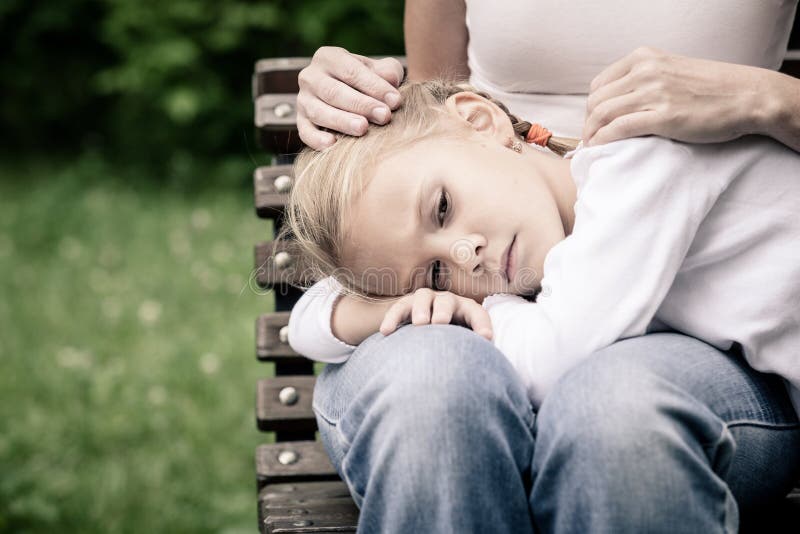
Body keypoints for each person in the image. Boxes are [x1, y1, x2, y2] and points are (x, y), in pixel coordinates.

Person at [285, 2, 800, 532]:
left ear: (482, 121)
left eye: (442, 208)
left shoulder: (638, 169)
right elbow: (307, 320)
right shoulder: (523, 203)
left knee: (615, 414)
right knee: (433, 386)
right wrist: (398, 308)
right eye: (437, 274)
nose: (465, 254)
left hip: (741, 376)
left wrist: (467, 312)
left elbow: (554, 354)